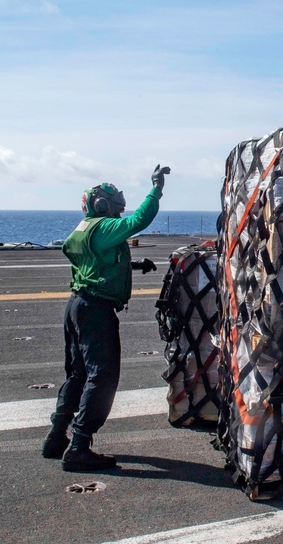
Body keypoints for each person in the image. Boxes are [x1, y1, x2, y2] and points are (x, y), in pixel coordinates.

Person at [42, 165, 170, 471]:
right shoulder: (103, 227)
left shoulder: (81, 230)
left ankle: (57, 436)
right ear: (101, 204)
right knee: (103, 376)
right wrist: (156, 189)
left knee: (78, 374)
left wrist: (134, 265)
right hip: (96, 312)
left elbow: (93, 264)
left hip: (77, 306)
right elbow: (140, 220)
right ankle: (79, 446)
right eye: (115, 202)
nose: (119, 206)